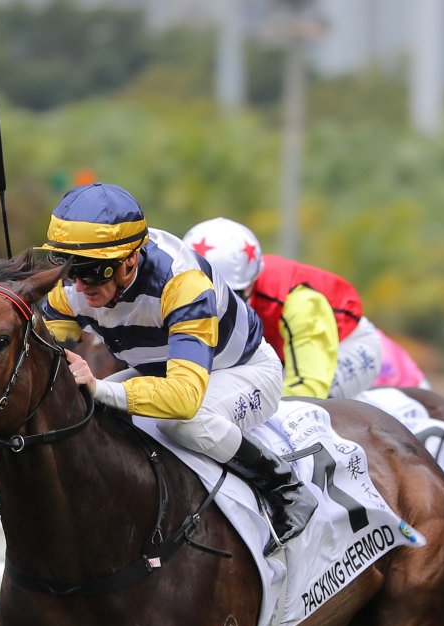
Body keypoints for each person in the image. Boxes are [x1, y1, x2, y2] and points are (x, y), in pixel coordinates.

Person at [39, 184, 308, 550]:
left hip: (242, 371)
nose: (79, 285)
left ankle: (284, 486)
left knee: (181, 423)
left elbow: (183, 398)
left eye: (91, 272)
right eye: (69, 269)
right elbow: (44, 352)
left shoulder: (182, 282)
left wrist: (99, 387)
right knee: (89, 411)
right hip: (162, 371)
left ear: (130, 260)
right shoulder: (71, 288)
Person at [182, 216, 381, 400]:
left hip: (346, 346)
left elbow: (308, 387)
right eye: (207, 295)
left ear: (251, 283)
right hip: (286, 353)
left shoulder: (298, 303)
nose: (220, 306)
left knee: (297, 404)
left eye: (232, 295)